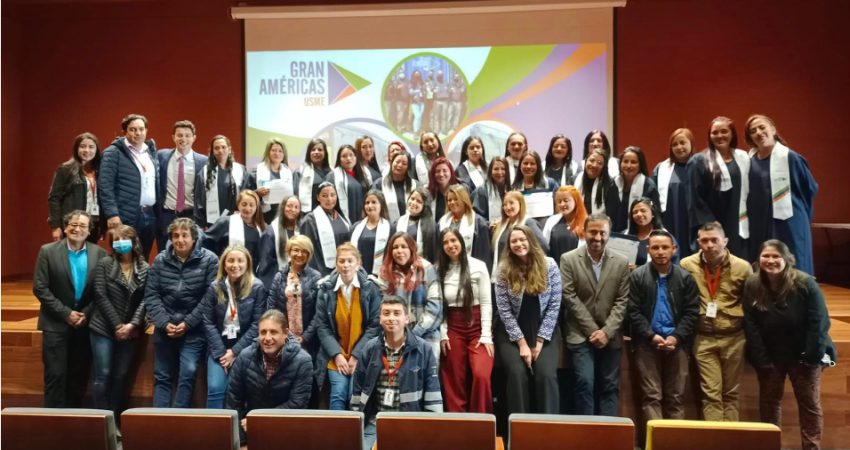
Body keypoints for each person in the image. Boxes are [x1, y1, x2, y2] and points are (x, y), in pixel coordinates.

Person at [743, 240, 833, 450]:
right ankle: (770, 445)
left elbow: (819, 321)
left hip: (804, 356)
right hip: (771, 357)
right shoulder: (752, 284)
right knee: (769, 405)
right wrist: (760, 359)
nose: (771, 260)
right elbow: (750, 323)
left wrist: (811, 357)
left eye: (776, 256)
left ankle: (811, 447)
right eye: (766, 256)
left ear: (787, 259)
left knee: (810, 405)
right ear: (759, 259)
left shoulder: (805, 283)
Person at [33, 210, 108, 407]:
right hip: (55, 323)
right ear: (65, 228)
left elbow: (101, 291)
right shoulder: (47, 251)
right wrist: (66, 314)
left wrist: (86, 313)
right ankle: (52, 424)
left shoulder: (99, 253)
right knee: (55, 375)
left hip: (84, 323)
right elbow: (40, 288)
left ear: (89, 230)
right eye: (73, 224)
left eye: (83, 226)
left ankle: (73, 421)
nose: (77, 229)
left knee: (79, 376)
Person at [680, 222, 752, 421]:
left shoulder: (742, 267)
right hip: (703, 338)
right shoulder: (687, 265)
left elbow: (750, 303)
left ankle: (729, 440)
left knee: (730, 394)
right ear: (698, 242)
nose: (710, 245)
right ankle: (714, 439)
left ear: (725, 241)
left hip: (734, 337)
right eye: (704, 240)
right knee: (711, 394)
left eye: (715, 240)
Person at [351, 296, 443, 450]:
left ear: (407, 318)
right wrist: (355, 427)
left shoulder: (424, 350)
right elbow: (357, 394)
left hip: (411, 425)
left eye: (396, 313)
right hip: (375, 424)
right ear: (380, 319)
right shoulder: (369, 349)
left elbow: (433, 398)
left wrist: (431, 434)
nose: (391, 318)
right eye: (386, 313)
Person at [143, 217, 218, 407]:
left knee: (188, 372)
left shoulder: (210, 260)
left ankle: (178, 418)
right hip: (164, 327)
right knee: (162, 376)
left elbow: (209, 297)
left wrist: (187, 323)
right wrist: (163, 322)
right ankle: (159, 421)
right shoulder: (160, 260)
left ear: (194, 238)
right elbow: (151, 294)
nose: (180, 240)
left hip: (193, 329)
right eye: (176, 236)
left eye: (185, 235)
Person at [560, 213, 629, 416]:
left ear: (609, 234)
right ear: (584, 231)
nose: (597, 237)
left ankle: (608, 436)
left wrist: (606, 332)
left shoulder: (622, 262)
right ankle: (586, 435)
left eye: (602, 233)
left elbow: (622, 301)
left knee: (609, 385)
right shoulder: (569, 259)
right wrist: (593, 330)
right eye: (593, 232)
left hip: (611, 334)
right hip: (580, 333)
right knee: (584, 383)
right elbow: (569, 297)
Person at [628, 230, 700, 421]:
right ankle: (655, 443)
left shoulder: (685, 278)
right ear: (648, 250)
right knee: (651, 397)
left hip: (677, 344)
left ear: (674, 249)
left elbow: (692, 313)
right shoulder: (637, 276)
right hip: (647, 344)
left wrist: (676, 337)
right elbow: (633, 312)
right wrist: (651, 335)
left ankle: (674, 443)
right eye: (656, 247)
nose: (660, 251)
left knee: (676, 397)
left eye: (665, 247)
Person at [494, 225, 562, 414]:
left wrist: (539, 342)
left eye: (522, 239)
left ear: (531, 240)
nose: (518, 244)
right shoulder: (503, 270)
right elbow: (505, 311)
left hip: (544, 330)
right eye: (514, 241)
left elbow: (555, 305)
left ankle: (549, 431)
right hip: (511, 333)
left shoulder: (550, 265)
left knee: (546, 375)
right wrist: (522, 344)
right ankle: (518, 431)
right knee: (516, 375)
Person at [745, 114, 818, 275]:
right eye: (753, 131)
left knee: (793, 261)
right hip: (760, 221)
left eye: (762, 127)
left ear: (773, 129)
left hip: (788, 220)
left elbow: (808, 189)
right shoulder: (749, 161)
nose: (758, 132)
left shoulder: (790, 157)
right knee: (765, 262)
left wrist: (802, 218)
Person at [226, 309, 313, 445]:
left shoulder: (303, 361)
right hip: (251, 432)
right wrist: (242, 441)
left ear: (286, 333)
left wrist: (259, 421)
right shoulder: (245, 356)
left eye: (273, 332)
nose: (267, 338)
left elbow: (297, 404)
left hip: (288, 432)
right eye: (263, 332)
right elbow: (233, 400)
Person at [430, 228, 493, 413]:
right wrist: (443, 333)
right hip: (453, 327)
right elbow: (439, 305)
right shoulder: (437, 270)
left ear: (461, 242)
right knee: (453, 378)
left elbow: (486, 302)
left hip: (478, 327)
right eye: (446, 242)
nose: (450, 245)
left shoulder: (478, 266)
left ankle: (481, 423)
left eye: (454, 240)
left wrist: (487, 335)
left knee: (481, 375)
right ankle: (458, 424)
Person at [89, 225, 148, 422]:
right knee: (103, 374)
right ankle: (100, 421)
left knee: (121, 376)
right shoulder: (105, 263)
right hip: (103, 327)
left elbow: (146, 299)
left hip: (131, 329)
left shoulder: (144, 267)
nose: (120, 243)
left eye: (124, 239)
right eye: (116, 239)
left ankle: (114, 422)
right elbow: (100, 295)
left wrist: (132, 325)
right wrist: (117, 325)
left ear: (133, 242)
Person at [314, 243, 382, 410]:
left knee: (354, 394)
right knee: (338, 393)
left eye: (350, 261)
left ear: (358, 264)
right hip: (335, 354)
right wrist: (337, 355)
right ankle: (335, 434)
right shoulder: (325, 289)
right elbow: (322, 326)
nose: (345, 265)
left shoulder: (371, 288)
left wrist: (357, 355)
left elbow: (374, 326)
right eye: (341, 261)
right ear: (336, 264)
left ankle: (356, 435)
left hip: (362, 353)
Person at [201, 245, 266, 409]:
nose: (235, 265)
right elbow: (207, 322)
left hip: (246, 349)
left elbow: (257, 324)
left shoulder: (257, 287)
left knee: (237, 390)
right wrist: (222, 353)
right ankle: (214, 431)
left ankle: (237, 433)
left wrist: (235, 352)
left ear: (247, 264)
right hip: (219, 348)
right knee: (216, 388)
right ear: (224, 264)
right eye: (230, 260)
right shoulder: (214, 287)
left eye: (240, 261)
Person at [688, 117, 751, 259]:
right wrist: (710, 221)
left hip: (737, 218)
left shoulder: (743, 157)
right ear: (709, 136)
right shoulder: (699, 160)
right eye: (715, 132)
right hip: (712, 221)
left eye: (724, 131)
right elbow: (694, 196)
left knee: (736, 261)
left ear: (732, 134)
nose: (719, 136)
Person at [98, 113, 159, 258]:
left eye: (141, 129)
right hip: (124, 215)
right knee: (122, 256)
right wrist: (112, 214)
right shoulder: (113, 153)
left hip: (149, 216)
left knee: (143, 257)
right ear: (125, 132)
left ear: (146, 131)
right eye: (133, 129)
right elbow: (105, 186)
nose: (137, 133)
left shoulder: (150, 151)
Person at [377, 232, 441, 358]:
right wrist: (399, 336)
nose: (399, 251)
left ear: (412, 248)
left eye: (403, 246)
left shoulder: (427, 269)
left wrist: (413, 335)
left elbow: (435, 308)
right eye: (395, 247)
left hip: (426, 334)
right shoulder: (385, 272)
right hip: (394, 335)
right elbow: (382, 307)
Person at [267, 235, 323, 359]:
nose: (299, 254)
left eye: (304, 251)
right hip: (282, 338)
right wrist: (281, 334)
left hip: (308, 341)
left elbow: (319, 312)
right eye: (296, 250)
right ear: (289, 251)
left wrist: (304, 337)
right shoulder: (279, 277)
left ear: (309, 254)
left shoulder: (316, 277)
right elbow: (271, 308)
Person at [156, 120, 208, 250]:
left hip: (192, 216)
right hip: (167, 215)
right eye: (179, 135)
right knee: (165, 253)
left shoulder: (204, 162)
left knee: (192, 254)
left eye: (187, 135)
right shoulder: (161, 156)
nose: (183, 139)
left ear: (194, 138)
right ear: (173, 137)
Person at [48, 132, 104, 243]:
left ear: (96, 150)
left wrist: (103, 226)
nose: (87, 150)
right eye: (83, 146)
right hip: (73, 225)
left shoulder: (101, 170)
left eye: (91, 147)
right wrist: (55, 226)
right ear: (76, 149)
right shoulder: (66, 169)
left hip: (94, 224)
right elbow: (54, 199)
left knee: (90, 257)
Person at [653, 128, 694, 258]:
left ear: (691, 143)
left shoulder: (701, 165)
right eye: (674, 144)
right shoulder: (662, 168)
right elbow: (652, 197)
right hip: (671, 220)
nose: (679, 147)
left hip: (693, 221)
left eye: (683, 142)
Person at [194, 135, 248, 229]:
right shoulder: (204, 172)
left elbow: (246, 194)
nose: (220, 150)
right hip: (212, 223)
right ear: (212, 151)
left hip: (236, 220)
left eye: (223, 147)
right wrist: (202, 224)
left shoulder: (240, 170)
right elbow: (198, 201)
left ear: (229, 149)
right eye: (216, 148)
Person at [490, 191, 548, 277]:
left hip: (523, 273)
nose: (507, 207)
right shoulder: (500, 226)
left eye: (511, 203)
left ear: (520, 204)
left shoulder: (528, 223)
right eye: (504, 204)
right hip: (502, 273)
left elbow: (543, 246)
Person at [300, 181, 351, 276]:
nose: (329, 199)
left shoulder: (343, 218)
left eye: (332, 195)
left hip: (345, 268)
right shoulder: (310, 221)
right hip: (323, 271)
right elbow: (310, 252)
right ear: (318, 197)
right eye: (324, 195)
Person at [203, 190, 266, 267]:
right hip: (226, 270)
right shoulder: (225, 222)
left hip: (251, 274)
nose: (247, 208)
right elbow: (205, 241)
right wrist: (215, 261)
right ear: (238, 205)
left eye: (251, 205)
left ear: (256, 207)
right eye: (244, 204)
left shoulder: (262, 228)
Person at [438, 184, 492, 268]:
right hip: (448, 269)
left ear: (464, 200)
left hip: (471, 270)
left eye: (456, 199)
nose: (452, 202)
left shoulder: (479, 223)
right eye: (449, 200)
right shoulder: (442, 222)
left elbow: (484, 255)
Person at [609, 146, 660, 233]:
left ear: (640, 165)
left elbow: (655, 215)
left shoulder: (648, 186)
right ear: (620, 163)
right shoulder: (612, 184)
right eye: (625, 161)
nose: (629, 165)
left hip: (639, 235)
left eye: (633, 162)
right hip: (613, 234)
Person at [256, 196, 301, 286]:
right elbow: (266, 264)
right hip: (278, 282)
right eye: (289, 206)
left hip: (300, 279)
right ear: (282, 207)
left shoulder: (302, 228)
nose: (293, 209)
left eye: (296, 207)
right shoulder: (270, 232)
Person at [248, 138, 294, 224]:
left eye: (280, 151)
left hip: (283, 215)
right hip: (263, 216)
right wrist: (257, 193)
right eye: (273, 150)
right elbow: (246, 194)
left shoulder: (288, 172)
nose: (277, 153)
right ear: (268, 152)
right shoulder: (256, 171)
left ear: (284, 154)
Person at [350, 189, 395, 275]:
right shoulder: (355, 227)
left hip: (381, 275)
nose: (370, 205)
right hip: (358, 273)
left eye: (374, 202)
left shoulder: (390, 228)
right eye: (367, 203)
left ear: (381, 205)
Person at [628, 197, 680, 267]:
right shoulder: (625, 234)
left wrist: (637, 269)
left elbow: (673, 265)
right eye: (635, 212)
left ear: (653, 214)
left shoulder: (665, 237)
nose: (639, 214)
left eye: (643, 210)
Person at [542, 185, 587, 263]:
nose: (562, 204)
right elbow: (544, 247)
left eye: (566, 200)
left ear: (576, 201)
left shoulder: (587, 222)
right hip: (556, 269)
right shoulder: (551, 221)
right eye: (559, 201)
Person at [328, 144, 370, 223]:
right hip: (341, 219)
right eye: (344, 156)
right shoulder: (333, 176)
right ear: (339, 159)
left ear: (356, 157)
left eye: (351, 155)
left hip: (363, 218)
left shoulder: (364, 175)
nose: (348, 158)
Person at [393, 187, 438, 263]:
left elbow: (434, 253)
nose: (414, 203)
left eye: (419, 201)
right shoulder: (398, 222)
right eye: (412, 198)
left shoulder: (432, 226)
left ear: (425, 205)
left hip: (422, 265)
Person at [373, 150, 417, 222]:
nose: (400, 165)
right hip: (385, 226)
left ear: (408, 167)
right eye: (397, 162)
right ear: (391, 163)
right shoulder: (379, 184)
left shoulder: (415, 185)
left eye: (404, 163)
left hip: (410, 227)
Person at [295, 138, 332, 212]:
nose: (316, 152)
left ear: (325, 153)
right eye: (313, 150)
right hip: (307, 214)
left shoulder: (332, 172)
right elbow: (295, 194)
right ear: (309, 153)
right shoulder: (300, 171)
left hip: (327, 212)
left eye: (320, 150)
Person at [576, 147, 614, 215]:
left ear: (604, 167)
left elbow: (613, 213)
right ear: (586, 161)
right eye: (592, 160)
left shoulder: (610, 184)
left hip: (601, 223)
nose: (594, 165)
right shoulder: (574, 179)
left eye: (599, 163)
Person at [471, 156, 510, 224]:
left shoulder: (510, 190)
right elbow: (477, 218)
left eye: (503, 169)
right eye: (496, 169)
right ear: (490, 171)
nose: (499, 172)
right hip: (488, 230)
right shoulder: (481, 191)